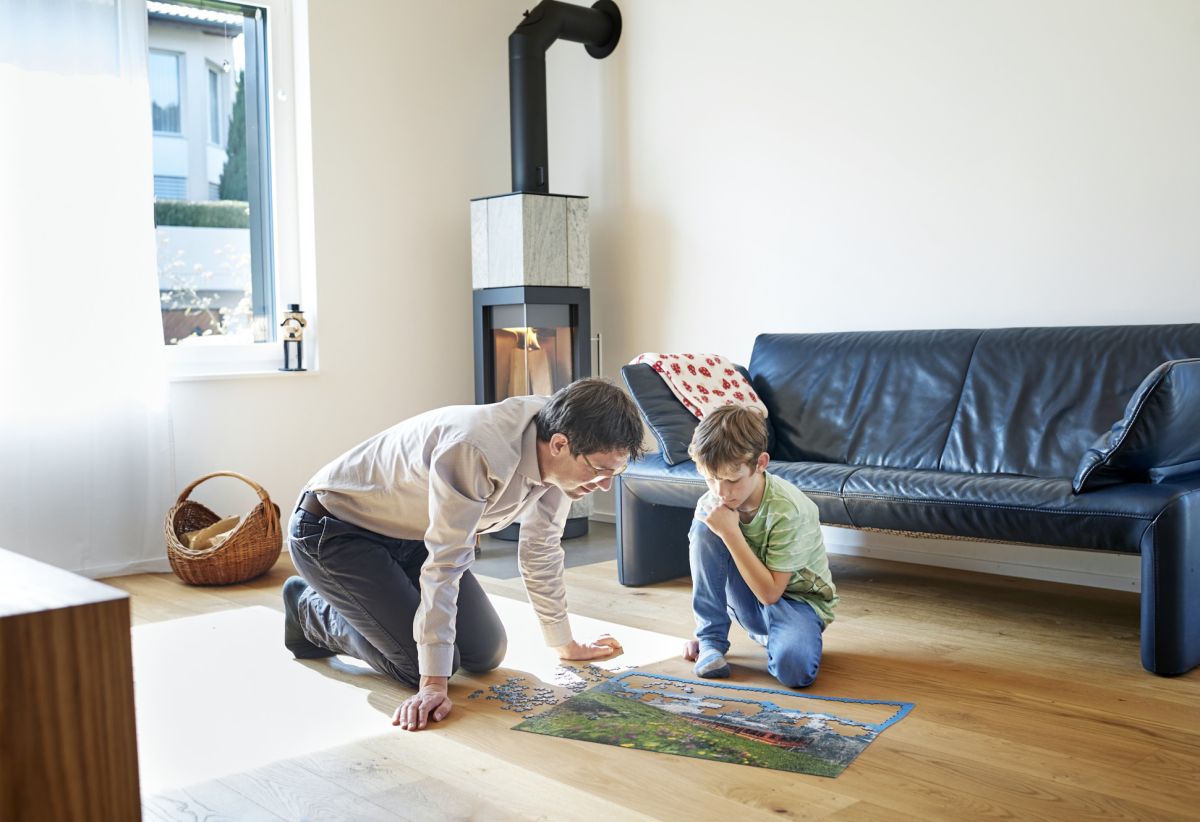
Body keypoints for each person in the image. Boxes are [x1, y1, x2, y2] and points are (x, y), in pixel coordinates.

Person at [282, 377, 645, 731]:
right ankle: (307, 608)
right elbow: (445, 565)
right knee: (420, 666)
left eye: (616, 471)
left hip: (412, 534)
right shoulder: (477, 451)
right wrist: (432, 685)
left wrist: (564, 643)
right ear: (560, 445)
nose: (604, 484)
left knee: (485, 653)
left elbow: (541, 548)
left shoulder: (564, 456)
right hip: (336, 530)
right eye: (599, 470)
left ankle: (371, 610)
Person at [681, 404, 837, 687]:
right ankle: (711, 641)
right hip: (747, 600)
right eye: (710, 478)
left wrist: (731, 533)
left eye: (732, 480)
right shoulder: (714, 502)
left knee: (795, 672)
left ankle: (778, 636)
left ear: (761, 463)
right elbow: (711, 575)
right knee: (705, 526)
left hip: (797, 603)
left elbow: (770, 594)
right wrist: (707, 634)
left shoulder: (789, 509)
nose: (721, 492)